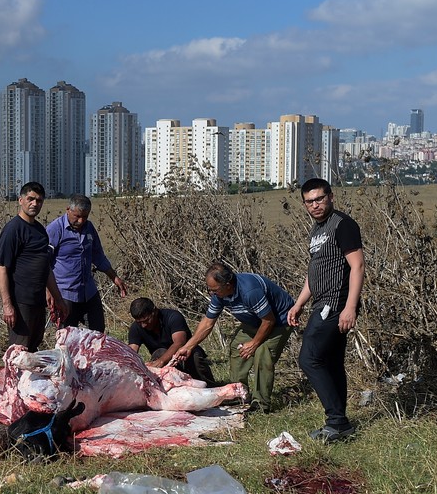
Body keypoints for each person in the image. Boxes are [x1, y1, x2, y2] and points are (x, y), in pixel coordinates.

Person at [288, 178, 365, 443]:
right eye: (310, 201)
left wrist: (350, 307)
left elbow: (358, 266)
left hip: (336, 304)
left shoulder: (343, 225)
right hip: (321, 303)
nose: (315, 205)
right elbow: (315, 272)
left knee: (309, 359)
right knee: (331, 363)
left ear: (331, 197)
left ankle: (336, 421)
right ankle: (340, 424)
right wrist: (298, 304)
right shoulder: (316, 230)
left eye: (319, 199)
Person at [171, 262, 295, 412]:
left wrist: (254, 343)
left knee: (263, 353)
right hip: (255, 321)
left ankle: (261, 404)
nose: (213, 294)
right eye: (210, 290)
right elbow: (208, 322)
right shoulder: (219, 294)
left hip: (279, 320)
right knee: (236, 348)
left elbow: (269, 321)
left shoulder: (250, 291)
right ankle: (238, 394)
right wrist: (188, 347)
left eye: (215, 290)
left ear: (228, 284)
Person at [0, 182, 68, 352]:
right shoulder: (13, 229)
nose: (35, 204)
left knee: (34, 347)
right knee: (19, 352)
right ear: (20, 200)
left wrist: (58, 298)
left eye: (39, 200)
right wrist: (7, 305)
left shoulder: (40, 231)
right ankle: (15, 379)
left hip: (37, 301)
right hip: (21, 302)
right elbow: (2, 268)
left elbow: (46, 268)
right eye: (31, 199)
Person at [45, 194, 128, 332]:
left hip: (88, 291)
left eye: (85, 216)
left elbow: (98, 256)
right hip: (65, 293)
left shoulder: (89, 228)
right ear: (68, 210)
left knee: (98, 333)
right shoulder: (55, 229)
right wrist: (49, 291)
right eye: (77, 216)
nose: (81, 220)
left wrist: (115, 277)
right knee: (67, 337)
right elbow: (44, 262)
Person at [127, 297, 214, 384]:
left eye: (146, 321)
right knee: (160, 352)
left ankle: (211, 386)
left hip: (185, 357)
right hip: (163, 360)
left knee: (194, 354)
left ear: (155, 311)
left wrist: (161, 361)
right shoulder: (136, 328)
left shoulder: (173, 317)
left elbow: (179, 343)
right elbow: (131, 352)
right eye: (139, 322)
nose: (143, 326)